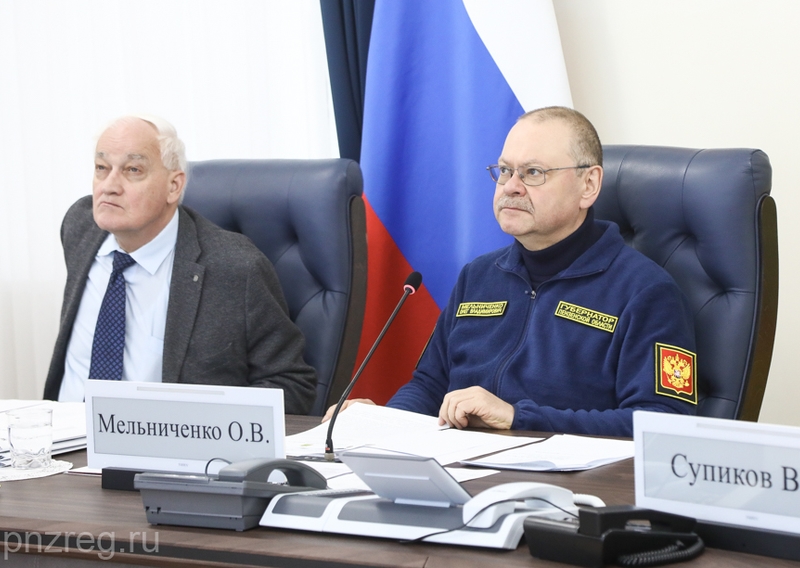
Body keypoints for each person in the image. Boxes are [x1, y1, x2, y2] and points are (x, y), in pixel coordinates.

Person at [324, 106, 697, 436]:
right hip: (464, 472)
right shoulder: (478, 276)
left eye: (533, 172)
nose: (512, 187)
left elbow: (664, 422)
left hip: (570, 484)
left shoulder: (645, 292)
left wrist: (520, 418)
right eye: (505, 171)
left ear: (588, 185)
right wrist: (384, 423)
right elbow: (429, 386)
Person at [43, 115, 317, 414]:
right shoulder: (80, 225)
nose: (109, 186)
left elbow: (291, 385)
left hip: (163, 437)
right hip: (65, 434)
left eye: (132, 170)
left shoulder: (235, 266)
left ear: (173, 186)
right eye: (101, 168)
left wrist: (196, 425)